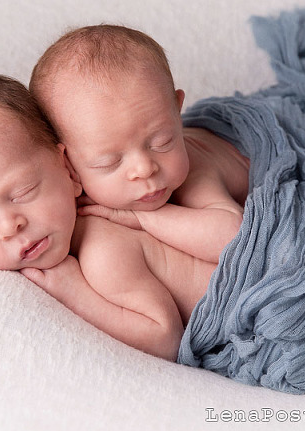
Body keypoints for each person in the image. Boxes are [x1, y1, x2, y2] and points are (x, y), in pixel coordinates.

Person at [0, 75, 217, 361]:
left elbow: (165, 339)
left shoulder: (102, 247)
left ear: (69, 169)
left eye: (22, 192)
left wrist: (74, 291)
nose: (9, 226)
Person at [29, 25, 250, 264]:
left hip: (248, 152)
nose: (144, 169)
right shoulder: (67, 189)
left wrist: (142, 219)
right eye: (110, 162)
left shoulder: (195, 175)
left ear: (177, 111)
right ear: (68, 164)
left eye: (162, 142)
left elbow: (235, 239)